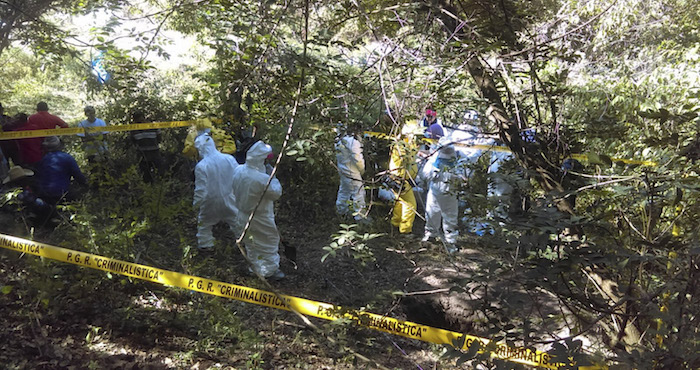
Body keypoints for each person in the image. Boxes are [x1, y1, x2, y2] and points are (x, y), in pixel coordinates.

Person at [232, 141, 284, 279]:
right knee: (268, 242)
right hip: (259, 217)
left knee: (252, 243)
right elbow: (276, 193)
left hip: (242, 214)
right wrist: (272, 177)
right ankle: (269, 272)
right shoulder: (261, 179)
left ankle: (254, 267)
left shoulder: (238, 170)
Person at [193, 134, 240, 252]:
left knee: (204, 224)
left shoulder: (201, 165)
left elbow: (201, 189)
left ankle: (206, 247)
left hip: (210, 202)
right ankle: (243, 244)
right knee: (237, 222)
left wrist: (196, 205)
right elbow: (238, 177)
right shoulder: (229, 159)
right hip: (230, 198)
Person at [33, 136, 87, 223]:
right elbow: (79, 177)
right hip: (61, 194)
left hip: (43, 194)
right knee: (77, 198)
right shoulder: (67, 158)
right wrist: (87, 185)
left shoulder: (42, 159)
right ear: (59, 145)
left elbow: (38, 177)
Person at [420, 138, 461, 253]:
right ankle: (430, 235)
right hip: (435, 192)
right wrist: (434, 173)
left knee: (450, 217)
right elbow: (424, 174)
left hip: (450, 194)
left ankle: (450, 241)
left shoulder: (458, 161)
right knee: (432, 213)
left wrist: (457, 179)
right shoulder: (434, 159)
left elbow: (464, 177)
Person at [16, 102, 68, 167]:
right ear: (47, 108)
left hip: (38, 145)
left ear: (37, 109)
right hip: (52, 143)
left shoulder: (32, 118)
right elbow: (65, 126)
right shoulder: (53, 117)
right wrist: (57, 135)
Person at [389, 130, 419, 237]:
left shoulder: (401, 144)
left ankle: (396, 223)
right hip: (401, 180)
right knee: (410, 205)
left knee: (400, 202)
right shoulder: (401, 147)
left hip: (398, 179)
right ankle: (405, 230)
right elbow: (408, 155)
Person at [335, 125, 367, 221]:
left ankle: (341, 212)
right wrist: (362, 171)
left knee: (344, 191)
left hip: (343, 170)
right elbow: (358, 159)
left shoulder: (338, 140)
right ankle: (360, 218)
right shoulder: (353, 142)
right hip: (352, 172)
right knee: (359, 193)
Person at [130, 111, 163, 182]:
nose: (140, 123)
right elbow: (133, 142)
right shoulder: (133, 129)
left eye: (141, 120)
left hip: (155, 154)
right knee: (145, 176)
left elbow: (159, 139)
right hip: (142, 155)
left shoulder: (154, 126)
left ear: (144, 118)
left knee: (160, 174)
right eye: (138, 121)